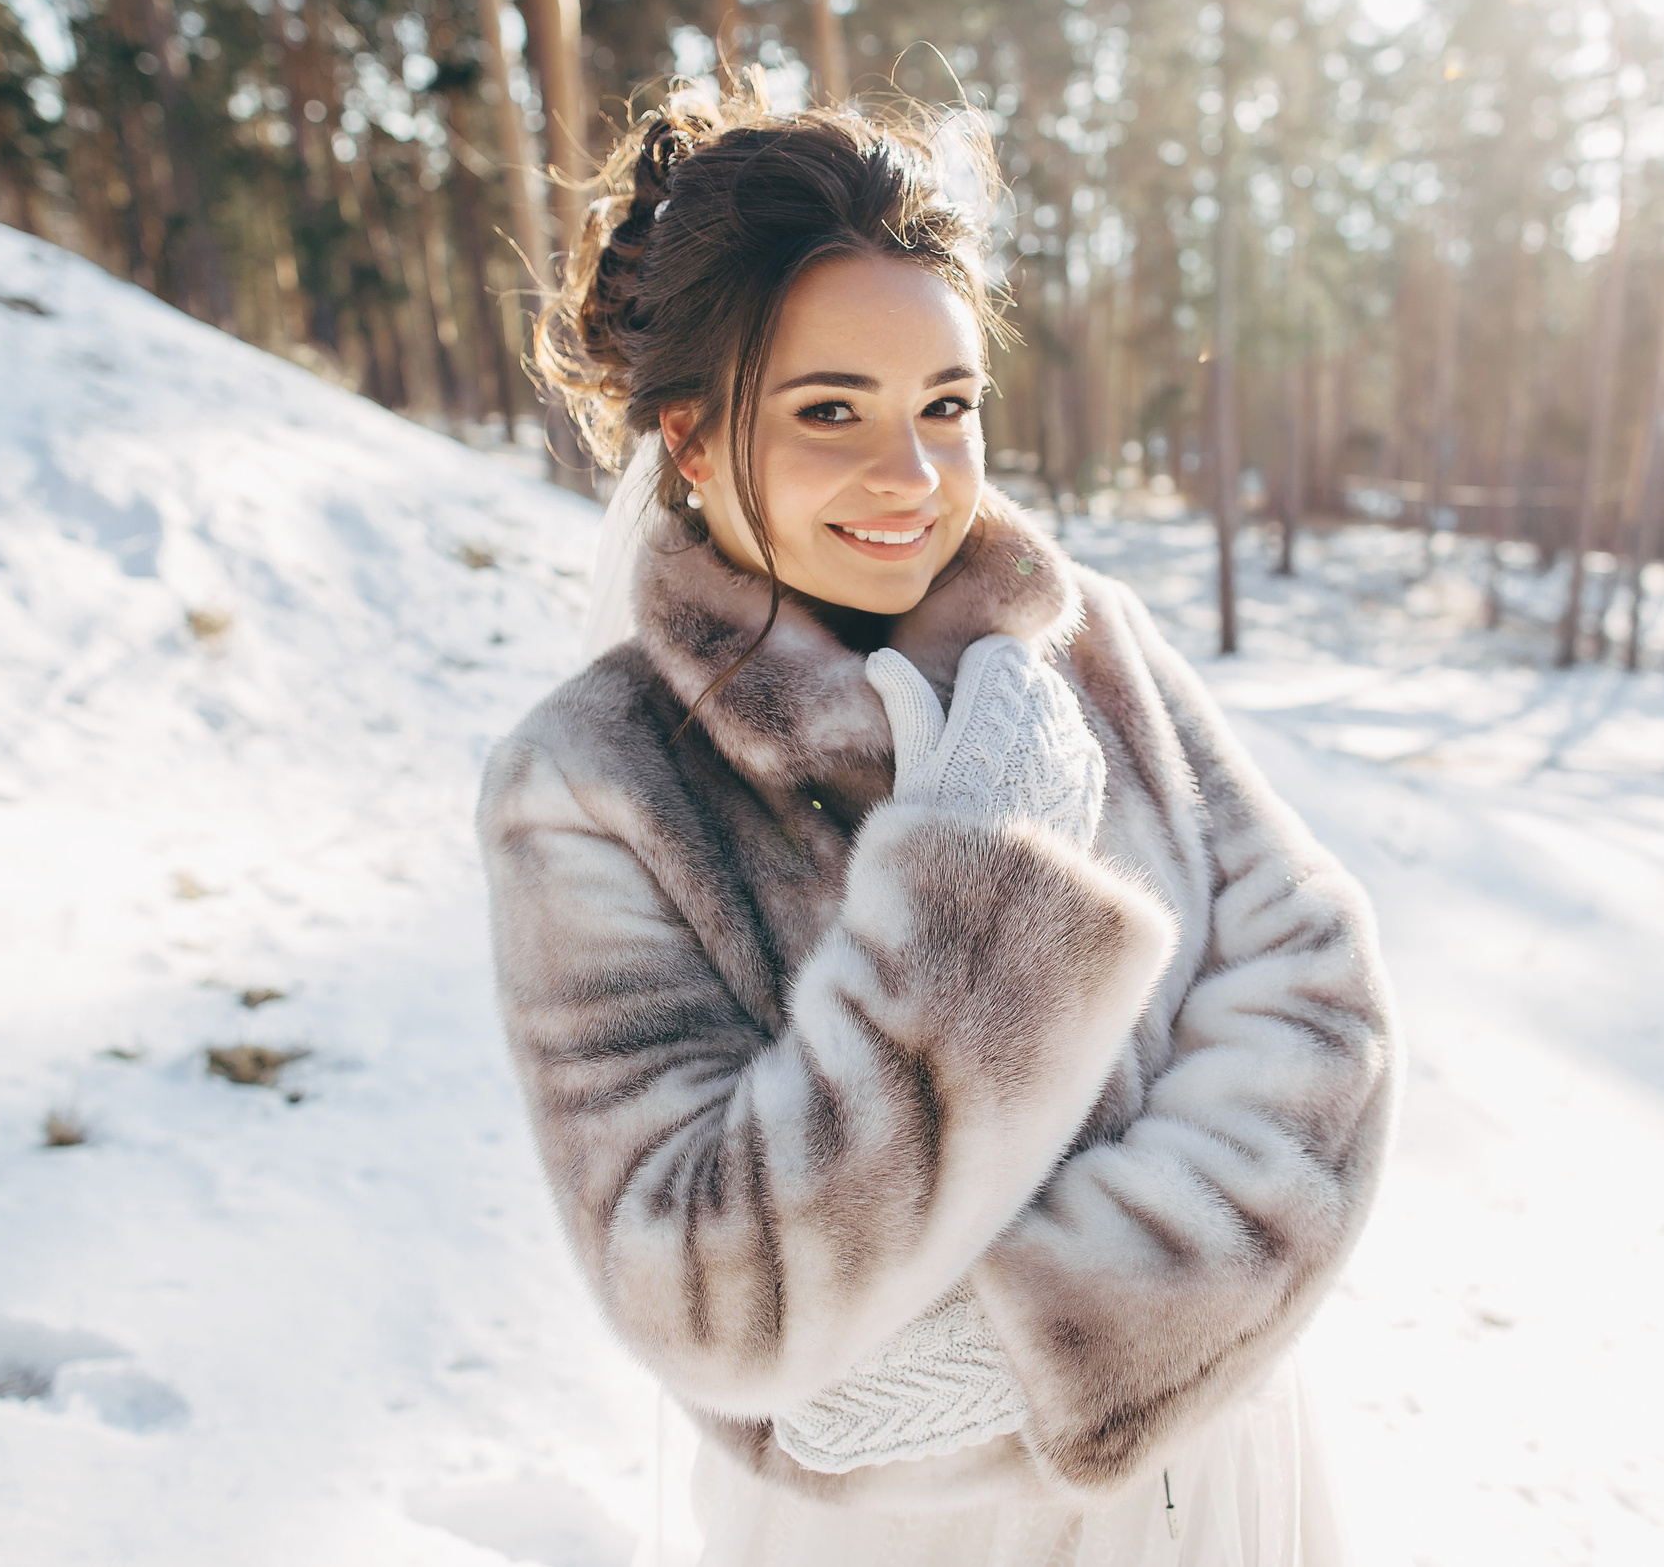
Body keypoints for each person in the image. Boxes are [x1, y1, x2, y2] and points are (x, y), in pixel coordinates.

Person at [478, 84, 1400, 1567]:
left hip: (1213, 1491)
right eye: (830, 410)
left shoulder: (1088, 643)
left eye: (946, 408)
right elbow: (707, 1288)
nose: (910, 478)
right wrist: (980, 878)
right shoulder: (594, 785)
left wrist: (1080, 1345)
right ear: (694, 441)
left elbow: (1317, 992)